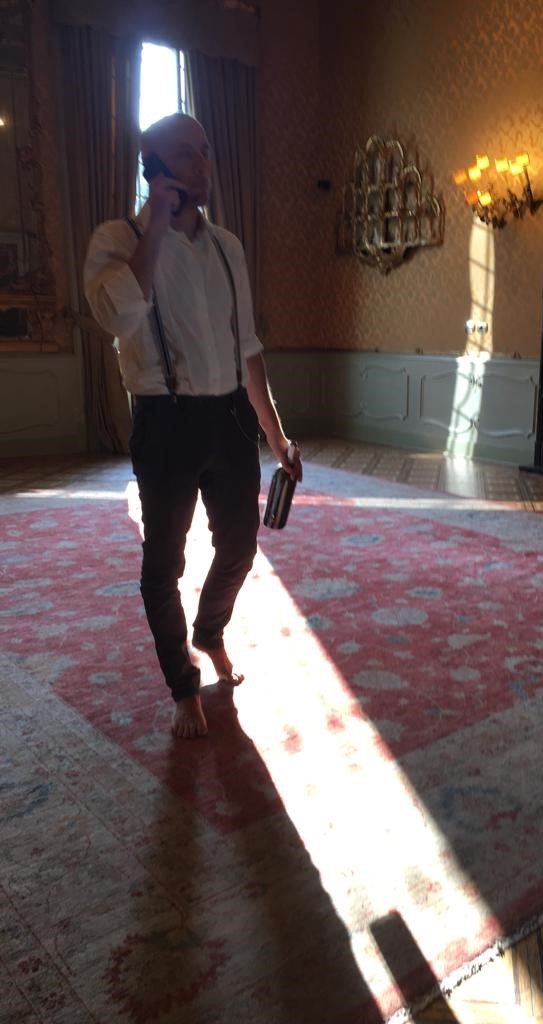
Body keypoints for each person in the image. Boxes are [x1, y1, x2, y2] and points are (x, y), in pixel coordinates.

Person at [84, 112, 302, 739]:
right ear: (153, 167)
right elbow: (119, 316)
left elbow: (248, 350)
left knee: (240, 545)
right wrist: (156, 225)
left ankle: (209, 632)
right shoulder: (116, 240)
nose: (203, 164)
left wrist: (276, 436)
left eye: (205, 150)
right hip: (165, 420)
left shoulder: (228, 247)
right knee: (164, 565)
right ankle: (183, 685)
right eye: (186, 153)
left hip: (230, 416)